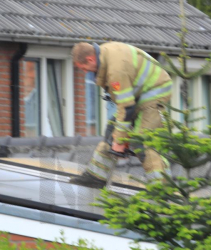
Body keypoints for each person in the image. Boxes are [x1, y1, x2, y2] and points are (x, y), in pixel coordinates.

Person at [70, 41, 173, 188]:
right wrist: (118, 135)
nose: (86, 72)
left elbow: (127, 108)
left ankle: (162, 189)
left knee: (142, 143)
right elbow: (125, 105)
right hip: (138, 94)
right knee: (111, 131)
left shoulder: (115, 71)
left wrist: (119, 141)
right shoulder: (105, 54)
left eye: (84, 68)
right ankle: (95, 177)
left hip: (155, 92)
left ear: (90, 59)